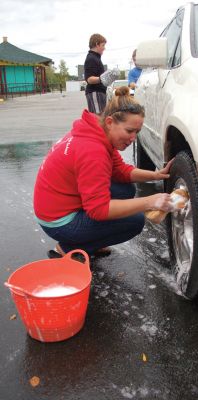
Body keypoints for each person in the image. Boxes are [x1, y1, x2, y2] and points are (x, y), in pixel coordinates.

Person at [33, 87, 175, 260]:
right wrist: (149, 201)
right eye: (129, 131)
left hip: (58, 205)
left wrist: (155, 175)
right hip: (59, 222)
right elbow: (98, 210)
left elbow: (120, 171)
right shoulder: (93, 151)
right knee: (135, 221)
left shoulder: (97, 132)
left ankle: (90, 239)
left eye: (137, 132)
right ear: (109, 122)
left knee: (125, 190)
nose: (133, 138)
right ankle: (69, 247)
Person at [84, 33, 107, 114]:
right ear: (97, 44)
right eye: (103, 45)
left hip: (99, 93)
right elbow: (89, 79)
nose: (104, 48)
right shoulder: (91, 58)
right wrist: (103, 78)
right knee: (98, 119)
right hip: (95, 93)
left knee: (101, 118)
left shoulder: (96, 58)